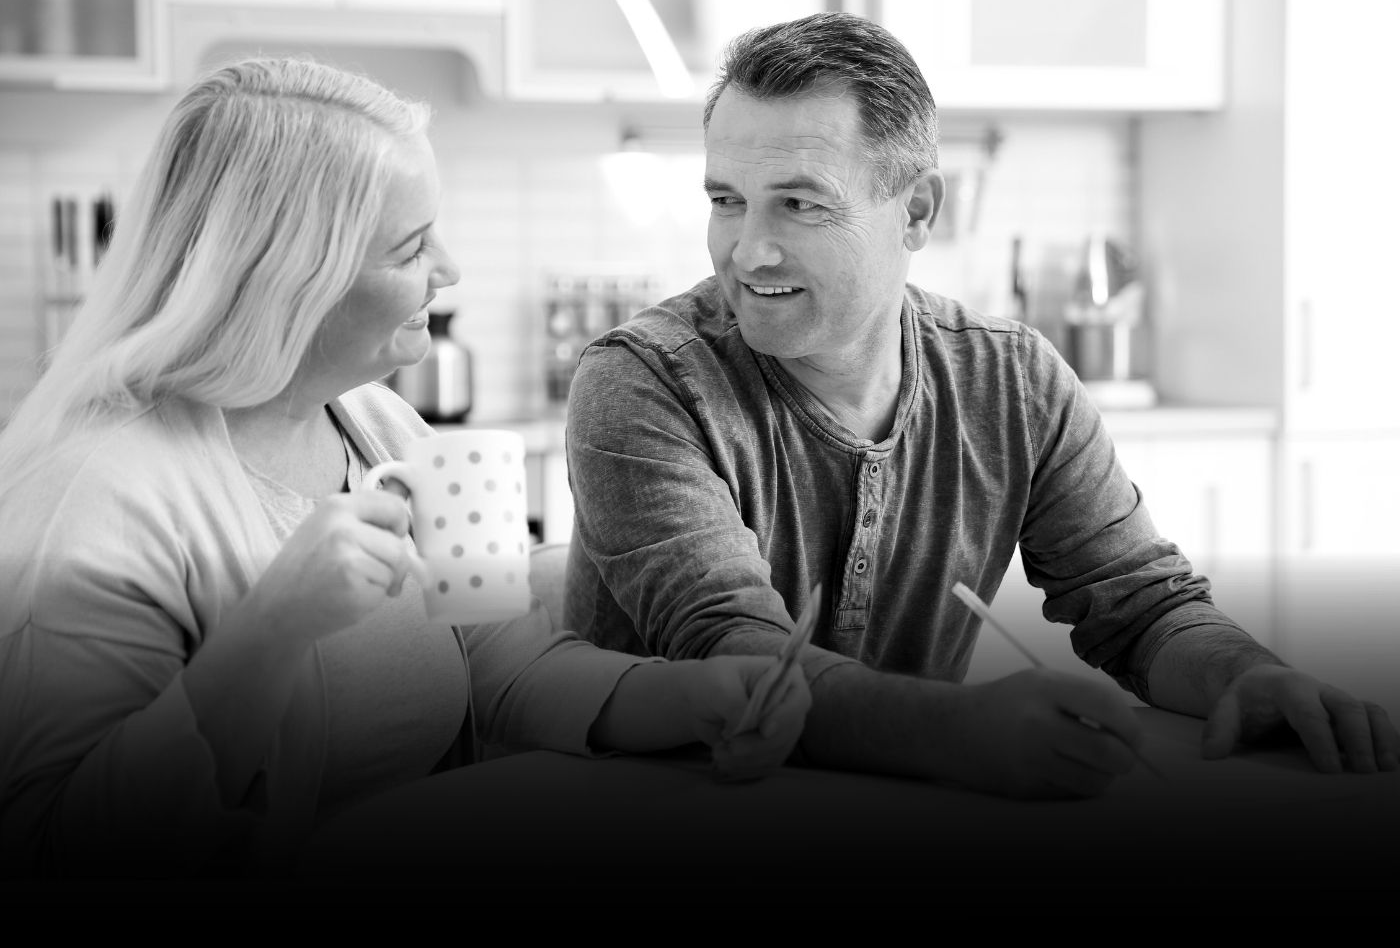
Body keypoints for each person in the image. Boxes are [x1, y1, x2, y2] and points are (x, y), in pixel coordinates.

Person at [0, 56, 811, 881]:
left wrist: (690, 698)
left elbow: (508, 664)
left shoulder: (393, 428)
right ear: (288, 277)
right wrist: (272, 628)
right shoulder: (90, 495)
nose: (449, 270)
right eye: (411, 247)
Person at [561, 11, 1399, 800]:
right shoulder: (642, 381)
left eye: (800, 204)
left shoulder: (1013, 380)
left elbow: (1142, 608)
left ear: (917, 211)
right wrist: (965, 730)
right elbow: (737, 654)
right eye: (726, 201)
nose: (747, 251)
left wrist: (1248, 676)